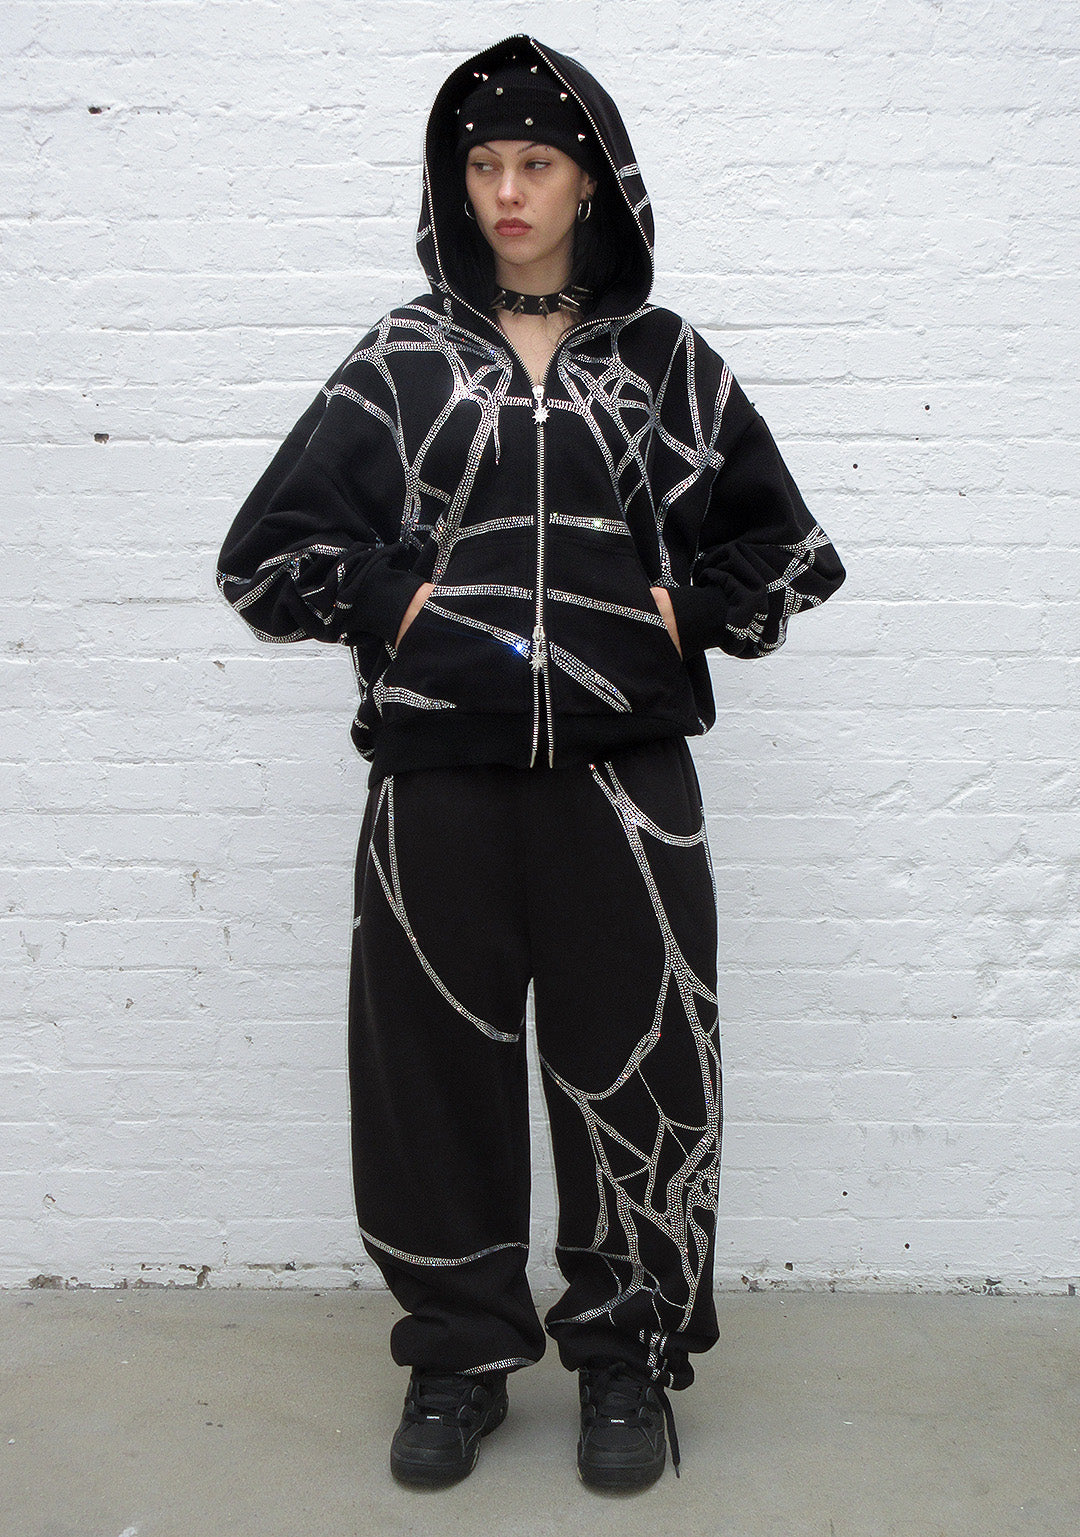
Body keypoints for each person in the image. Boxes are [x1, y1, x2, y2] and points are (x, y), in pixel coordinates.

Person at [217, 34, 845, 1494]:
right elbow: (266, 560)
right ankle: (456, 1358)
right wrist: (397, 602)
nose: (508, 191)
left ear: (591, 183)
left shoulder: (666, 363)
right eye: (483, 165)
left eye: (538, 164)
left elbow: (790, 551)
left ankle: (627, 1358)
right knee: (430, 1072)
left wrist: (678, 611)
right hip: (436, 783)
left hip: (626, 786)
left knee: (643, 1066)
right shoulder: (403, 361)